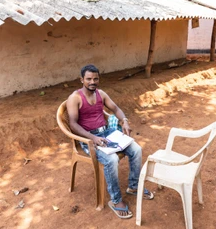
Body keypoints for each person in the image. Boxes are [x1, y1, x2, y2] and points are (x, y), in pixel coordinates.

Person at [66, 64, 154, 219]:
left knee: (137, 149)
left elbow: (116, 109)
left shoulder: (101, 94)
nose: (92, 82)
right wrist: (92, 138)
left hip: (108, 133)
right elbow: (73, 124)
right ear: (81, 80)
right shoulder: (75, 98)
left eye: (95, 78)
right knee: (112, 159)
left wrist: (124, 121)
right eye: (88, 79)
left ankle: (133, 187)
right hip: (89, 139)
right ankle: (116, 200)